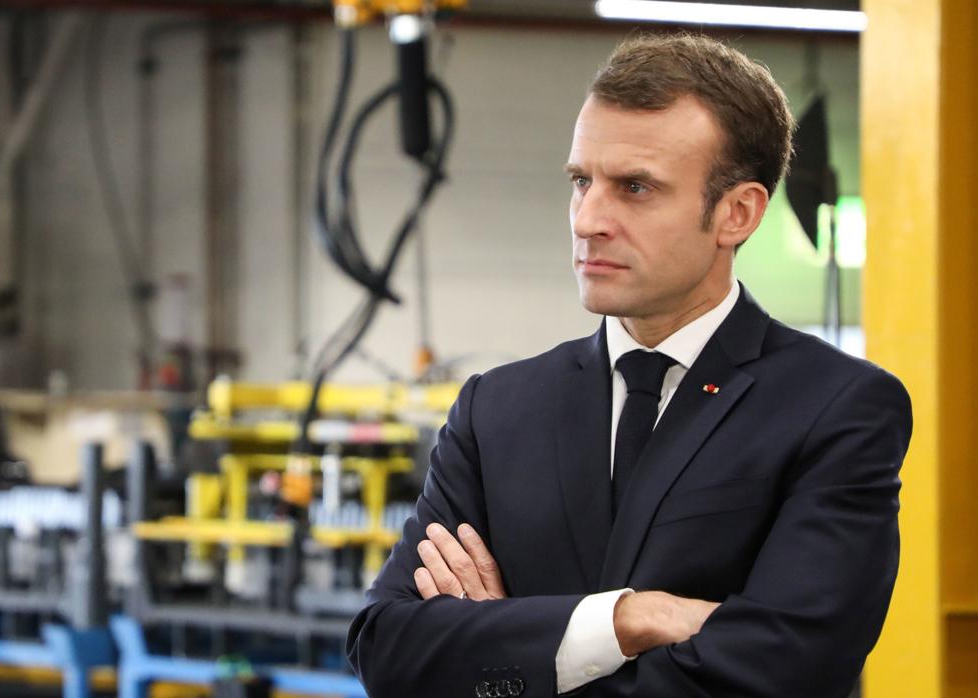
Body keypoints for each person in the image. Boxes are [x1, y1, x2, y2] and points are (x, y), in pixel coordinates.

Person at [346, 32, 912, 698]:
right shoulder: (496, 410)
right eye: (581, 181)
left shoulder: (836, 407)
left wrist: (512, 647)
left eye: (635, 188)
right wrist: (632, 618)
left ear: (737, 213)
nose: (588, 219)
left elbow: (788, 669)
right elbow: (387, 648)